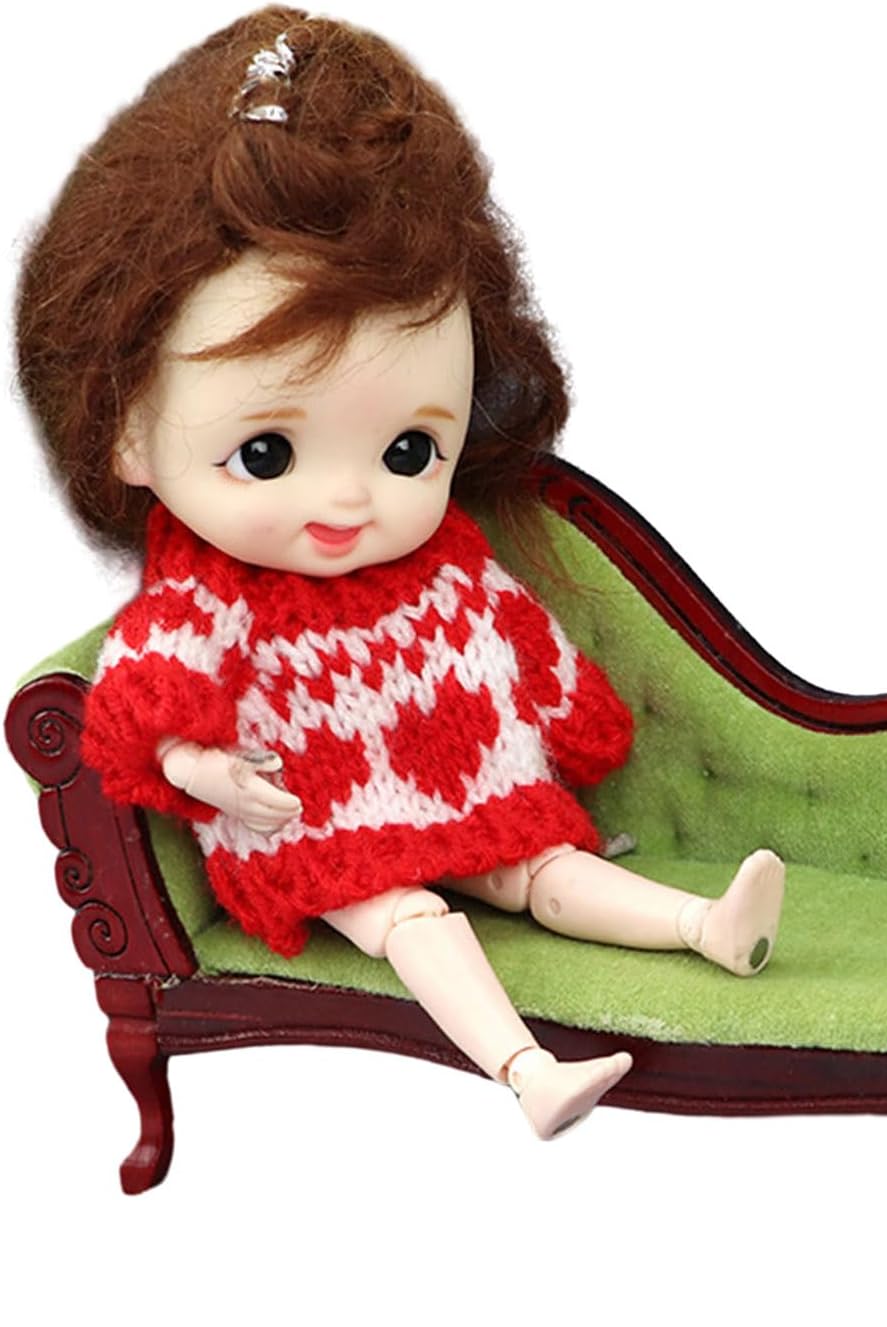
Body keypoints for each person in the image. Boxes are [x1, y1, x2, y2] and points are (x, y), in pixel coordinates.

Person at [13, 7, 784, 1140]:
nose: (348, 501)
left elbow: (516, 638)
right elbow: (146, 710)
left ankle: (704, 925)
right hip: (309, 830)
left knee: (543, 867)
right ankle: (526, 1069)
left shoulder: (445, 559)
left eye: (408, 449)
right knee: (413, 914)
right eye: (266, 454)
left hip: (462, 793)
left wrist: (574, 722)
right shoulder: (209, 595)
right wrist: (204, 771)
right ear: (129, 433)